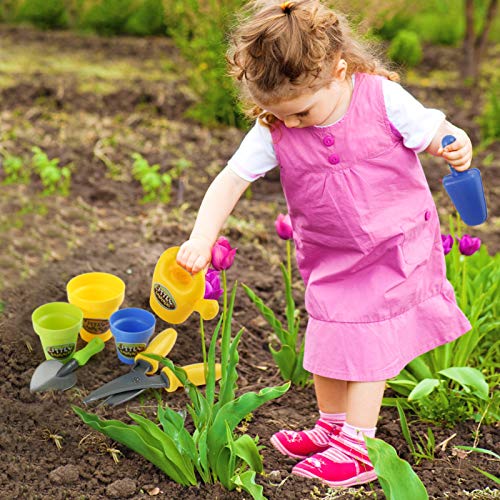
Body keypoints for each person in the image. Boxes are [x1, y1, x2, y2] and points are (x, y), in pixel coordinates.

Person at [176, 0, 472, 488]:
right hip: (332, 254)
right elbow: (230, 179)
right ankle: (332, 426)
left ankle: (360, 446)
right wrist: (201, 236)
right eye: (279, 115)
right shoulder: (276, 125)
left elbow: (434, 130)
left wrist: (453, 141)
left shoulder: (380, 98)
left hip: (394, 246)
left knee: (367, 338)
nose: (289, 125)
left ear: (338, 71)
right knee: (330, 335)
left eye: (300, 112)